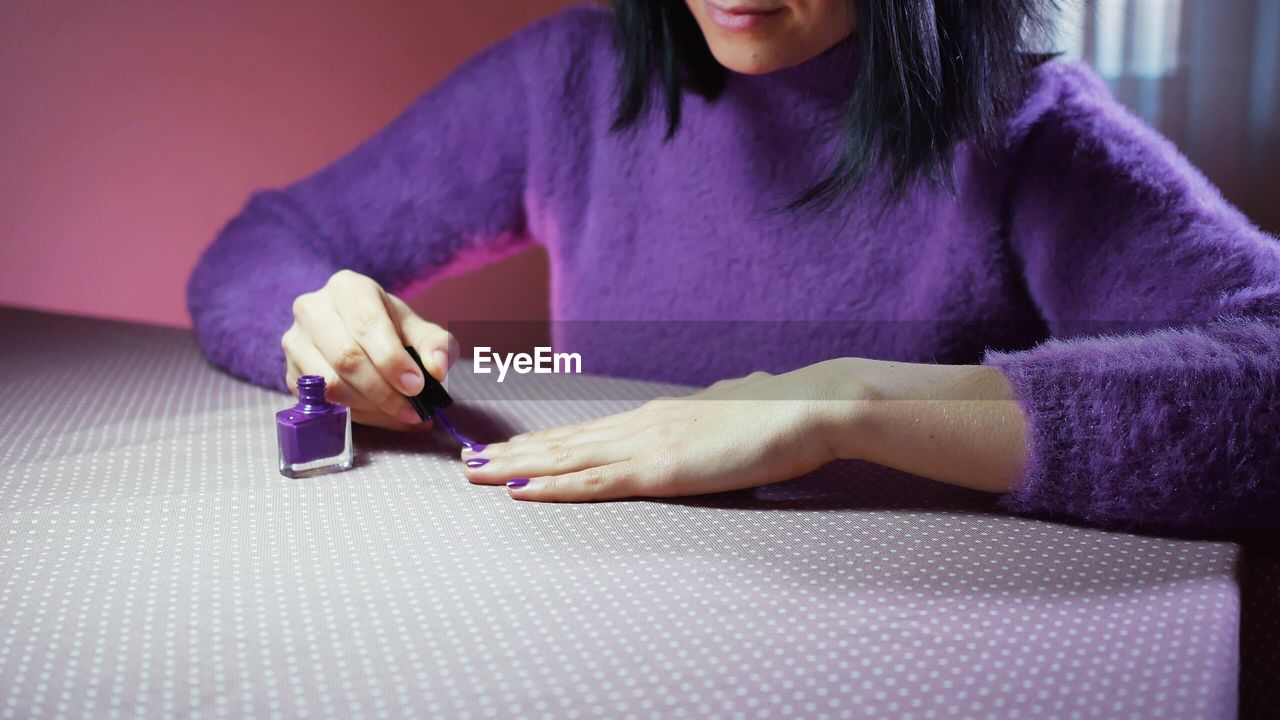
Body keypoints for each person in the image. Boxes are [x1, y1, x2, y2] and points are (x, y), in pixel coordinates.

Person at [188, 0, 1280, 537]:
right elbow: (271, 238)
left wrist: (843, 403)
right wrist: (320, 315)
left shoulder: (1032, 131)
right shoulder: (572, 73)